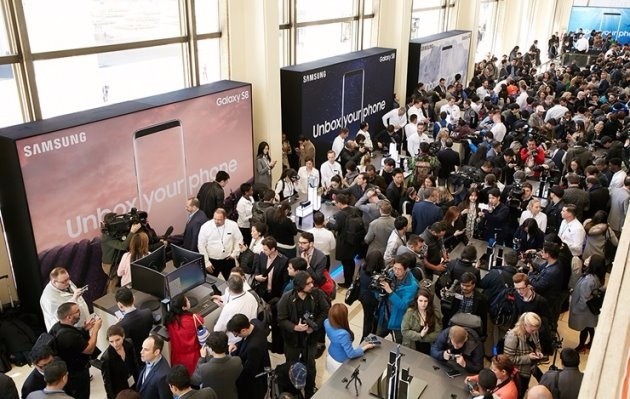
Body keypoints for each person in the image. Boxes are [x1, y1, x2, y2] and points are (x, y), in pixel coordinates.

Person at [277, 271, 330, 398]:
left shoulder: (317, 294)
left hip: (310, 340)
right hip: (292, 341)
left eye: (312, 282)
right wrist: (295, 327)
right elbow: (281, 319)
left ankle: (309, 390)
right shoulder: (287, 298)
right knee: (292, 366)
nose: (312, 285)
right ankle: (294, 391)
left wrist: (313, 326)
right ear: (300, 286)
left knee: (310, 365)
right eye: (308, 283)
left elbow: (325, 310)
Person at [49, 302, 102, 399]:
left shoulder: (57, 326)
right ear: (69, 317)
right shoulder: (68, 336)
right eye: (77, 311)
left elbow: (74, 337)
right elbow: (89, 349)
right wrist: (95, 330)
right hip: (76, 374)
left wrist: (85, 328)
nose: (80, 312)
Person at [227, 314, 271, 399]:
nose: (237, 337)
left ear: (243, 330)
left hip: (256, 378)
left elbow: (250, 370)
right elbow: (245, 340)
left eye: (237, 335)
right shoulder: (254, 322)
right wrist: (237, 345)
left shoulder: (253, 347)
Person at [376, 254, 418, 343]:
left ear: (406, 269)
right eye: (395, 268)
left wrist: (390, 291)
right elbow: (379, 295)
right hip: (385, 315)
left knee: (399, 344)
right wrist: (378, 289)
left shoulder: (412, 285)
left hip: (398, 320)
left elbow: (403, 305)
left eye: (399, 269)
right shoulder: (390, 275)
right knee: (377, 338)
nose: (396, 271)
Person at [326, 193, 365, 287]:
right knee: (350, 260)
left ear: (339, 203)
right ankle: (351, 278)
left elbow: (336, 227)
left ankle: (347, 282)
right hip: (354, 240)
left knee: (346, 263)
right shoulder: (354, 209)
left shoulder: (340, 214)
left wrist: (327, 224)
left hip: (344, 242)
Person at [569, 254, 606, 353]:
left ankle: (581, 345)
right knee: (590, 326)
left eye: (590, 259)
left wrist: (576, 309)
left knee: (584, 328)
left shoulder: (588, 280)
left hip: (584, 310)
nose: (587, 259)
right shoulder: (598, 276)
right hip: (590, 309)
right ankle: (590, 343)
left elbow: (584, 299)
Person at [324, 303, 375, 373]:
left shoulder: (326, 322)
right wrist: (365, 347)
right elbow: (351, 354)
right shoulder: (343, 334)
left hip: (330, 356)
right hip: (339, 362)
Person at [504, 312, 544, 398]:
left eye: (537, 329)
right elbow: (508, 359)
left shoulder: (534, 332)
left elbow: (537, 345)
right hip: (519, 372)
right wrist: (528, 357)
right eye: (533, 330)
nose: (535, 332)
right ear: (524, 325)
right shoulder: (512, 337)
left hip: (530, 368)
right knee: (520, 392)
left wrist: (538, 351)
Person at [191, 331, 242, 399]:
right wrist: (229, 354)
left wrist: (202, 358)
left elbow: (195, 381)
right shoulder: (237, 361)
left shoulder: (204, 368)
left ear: (211, 349)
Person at [101, 213, 142, 293]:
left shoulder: (116, 226)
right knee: (113, 282)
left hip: (118, 260)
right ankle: (110, 299)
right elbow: (122, 246)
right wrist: (132, 232)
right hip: (109, 264)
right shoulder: (106, 237)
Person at [40, 266, 91, 331]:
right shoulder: (48, 298)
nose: (68, 282)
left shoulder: (66, 282)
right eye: (64, 281)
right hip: (68, 332)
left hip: (84, 324)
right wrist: (74, 298)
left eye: (68, 279)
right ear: (54, 282)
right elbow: (61, 315)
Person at [198, 208, 243, 280]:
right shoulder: (205, 227)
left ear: (225, 218)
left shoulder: (233, 225)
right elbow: (201, 246)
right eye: (214, 218)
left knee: (232, 281)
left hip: (228, 259)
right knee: (210, 283)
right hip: (212, 261)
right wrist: (206, 262)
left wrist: (235, 253)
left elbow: (239, 240)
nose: (216, 221)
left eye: (219, 219)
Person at [441, 272, 488, 340]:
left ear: (474, 285)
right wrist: (445, 300)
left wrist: (483, 334)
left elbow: (483, 317)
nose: (465, 288)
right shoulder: (454, 293)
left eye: (468, 286)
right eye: (463, 285)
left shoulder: (480, 299)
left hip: (470, 327)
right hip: (453, 325)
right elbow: (445, 313)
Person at [212, 274, 258, 342]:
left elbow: (218, 330)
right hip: (250, 331)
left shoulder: (229, 308)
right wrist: (222, 298)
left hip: (236, 340)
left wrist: (224, 309)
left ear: (228, 288)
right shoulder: (251, 296)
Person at [114, 287, 154, 365]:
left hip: (135, 359)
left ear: (120, 305)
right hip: (150, 351)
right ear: (133, 298)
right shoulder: (148, 313)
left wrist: (118, 324)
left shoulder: (120, 326)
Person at [164, 295, 202, 375]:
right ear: (183, 307)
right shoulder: (193, 318)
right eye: (187, 301)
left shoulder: (169, 320)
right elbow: (201, 320)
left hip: (176, 358)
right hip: (193, 357)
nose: (189, 301)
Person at [101, 324, 141, 399]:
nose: (115, 344)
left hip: (133, 384)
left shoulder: (129, 344)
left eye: (117, 340)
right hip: (120, 391)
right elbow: (108, 384)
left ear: (123, 336)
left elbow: (135, 363)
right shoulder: (106, 358)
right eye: (111, 341)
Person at [401, 288, 442, 354]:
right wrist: (420, 335)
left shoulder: (435, 313)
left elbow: (437, 333)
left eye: (426, 301)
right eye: (420, 301)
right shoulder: (410, 312)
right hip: (411, 345)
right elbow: (404, 331)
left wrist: (423, 337)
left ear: (429, 301)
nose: (423, 304)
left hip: (427, 345)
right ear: (416, 300)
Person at [137, 334, 171, 399]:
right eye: (142, 348)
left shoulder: (163, 375)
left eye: (146, 350)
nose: (141, 352)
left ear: (156, 352)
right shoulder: (150, 359)